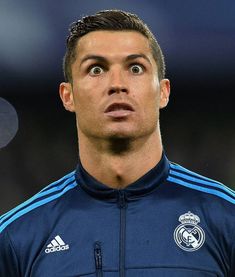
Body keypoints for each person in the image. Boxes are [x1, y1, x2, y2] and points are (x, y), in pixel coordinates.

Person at [0, 9, 234, 277]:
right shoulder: (16, 238)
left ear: (163, 91)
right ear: (68, 96)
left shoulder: (226, 219)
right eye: (96, 69)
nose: (117, 84)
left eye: (135, 68)